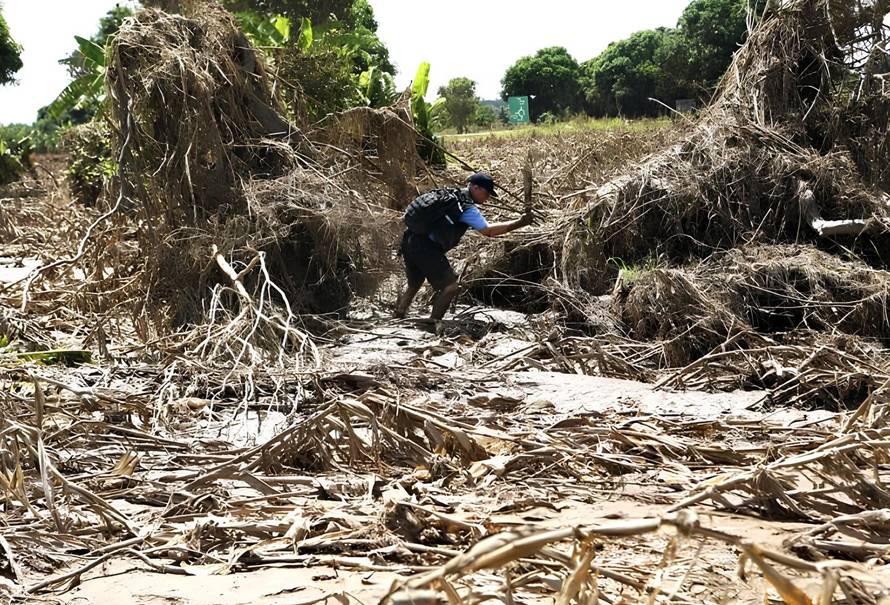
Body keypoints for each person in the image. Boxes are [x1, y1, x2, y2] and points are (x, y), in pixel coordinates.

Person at [395, 172, 533, 324]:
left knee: (415, 282)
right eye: (486, 193)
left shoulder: (451, 194)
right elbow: (488, 231)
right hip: (426, 247)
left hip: (410, 239)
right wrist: (519, 223)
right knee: (451, 287)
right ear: (475, 187)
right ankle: (433, 323)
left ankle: (400, 313)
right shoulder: (466, 207)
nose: (487, 198)